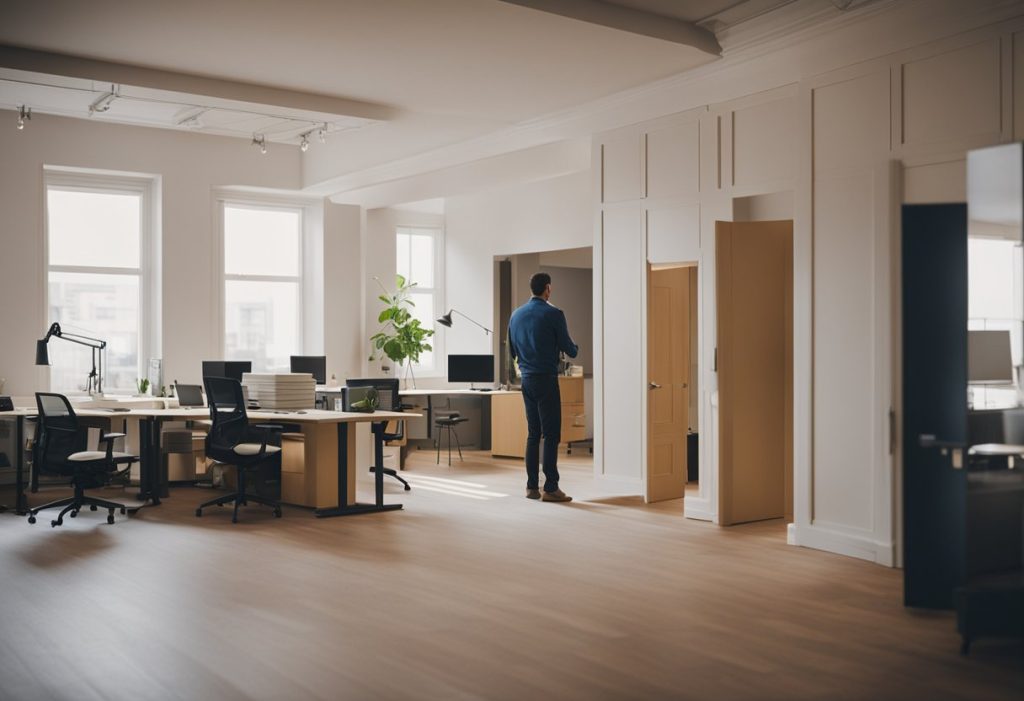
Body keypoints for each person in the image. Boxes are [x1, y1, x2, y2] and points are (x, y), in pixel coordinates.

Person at [508, 272, 578, 502]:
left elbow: (512, 352)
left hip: (526, 379)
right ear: (548, 288)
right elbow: (571, 349)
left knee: (533, 433)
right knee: (551, 434)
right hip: (546, 379)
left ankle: (531, 487)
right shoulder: (554, 313)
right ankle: (551, 487)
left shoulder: (515, 315)